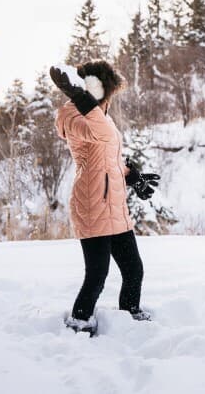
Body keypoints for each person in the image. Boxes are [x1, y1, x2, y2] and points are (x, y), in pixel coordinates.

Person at [50, 61, 160, 336]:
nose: (108, 99)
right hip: (92, 201)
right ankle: (79, 322)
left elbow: (108, 159)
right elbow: (102, 135)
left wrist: (133, 177)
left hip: (114, 203)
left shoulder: (99, 113)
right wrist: (80, 97)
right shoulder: (72, 115)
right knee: (97, 274)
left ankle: (129, 314)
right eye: (104, 92)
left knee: (134, 269)